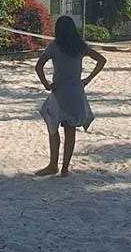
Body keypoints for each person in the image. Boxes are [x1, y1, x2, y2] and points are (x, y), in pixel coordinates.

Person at [35, 15, 106, 177]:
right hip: (76, 92)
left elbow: (38, 67)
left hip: (59, 92)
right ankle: (65, 168)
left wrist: (46, 84)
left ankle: (53, 165)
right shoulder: (80, 46)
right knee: (70, 131)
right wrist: (88, 79)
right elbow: (101, 60)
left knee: (53, 128)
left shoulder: (54, 46)